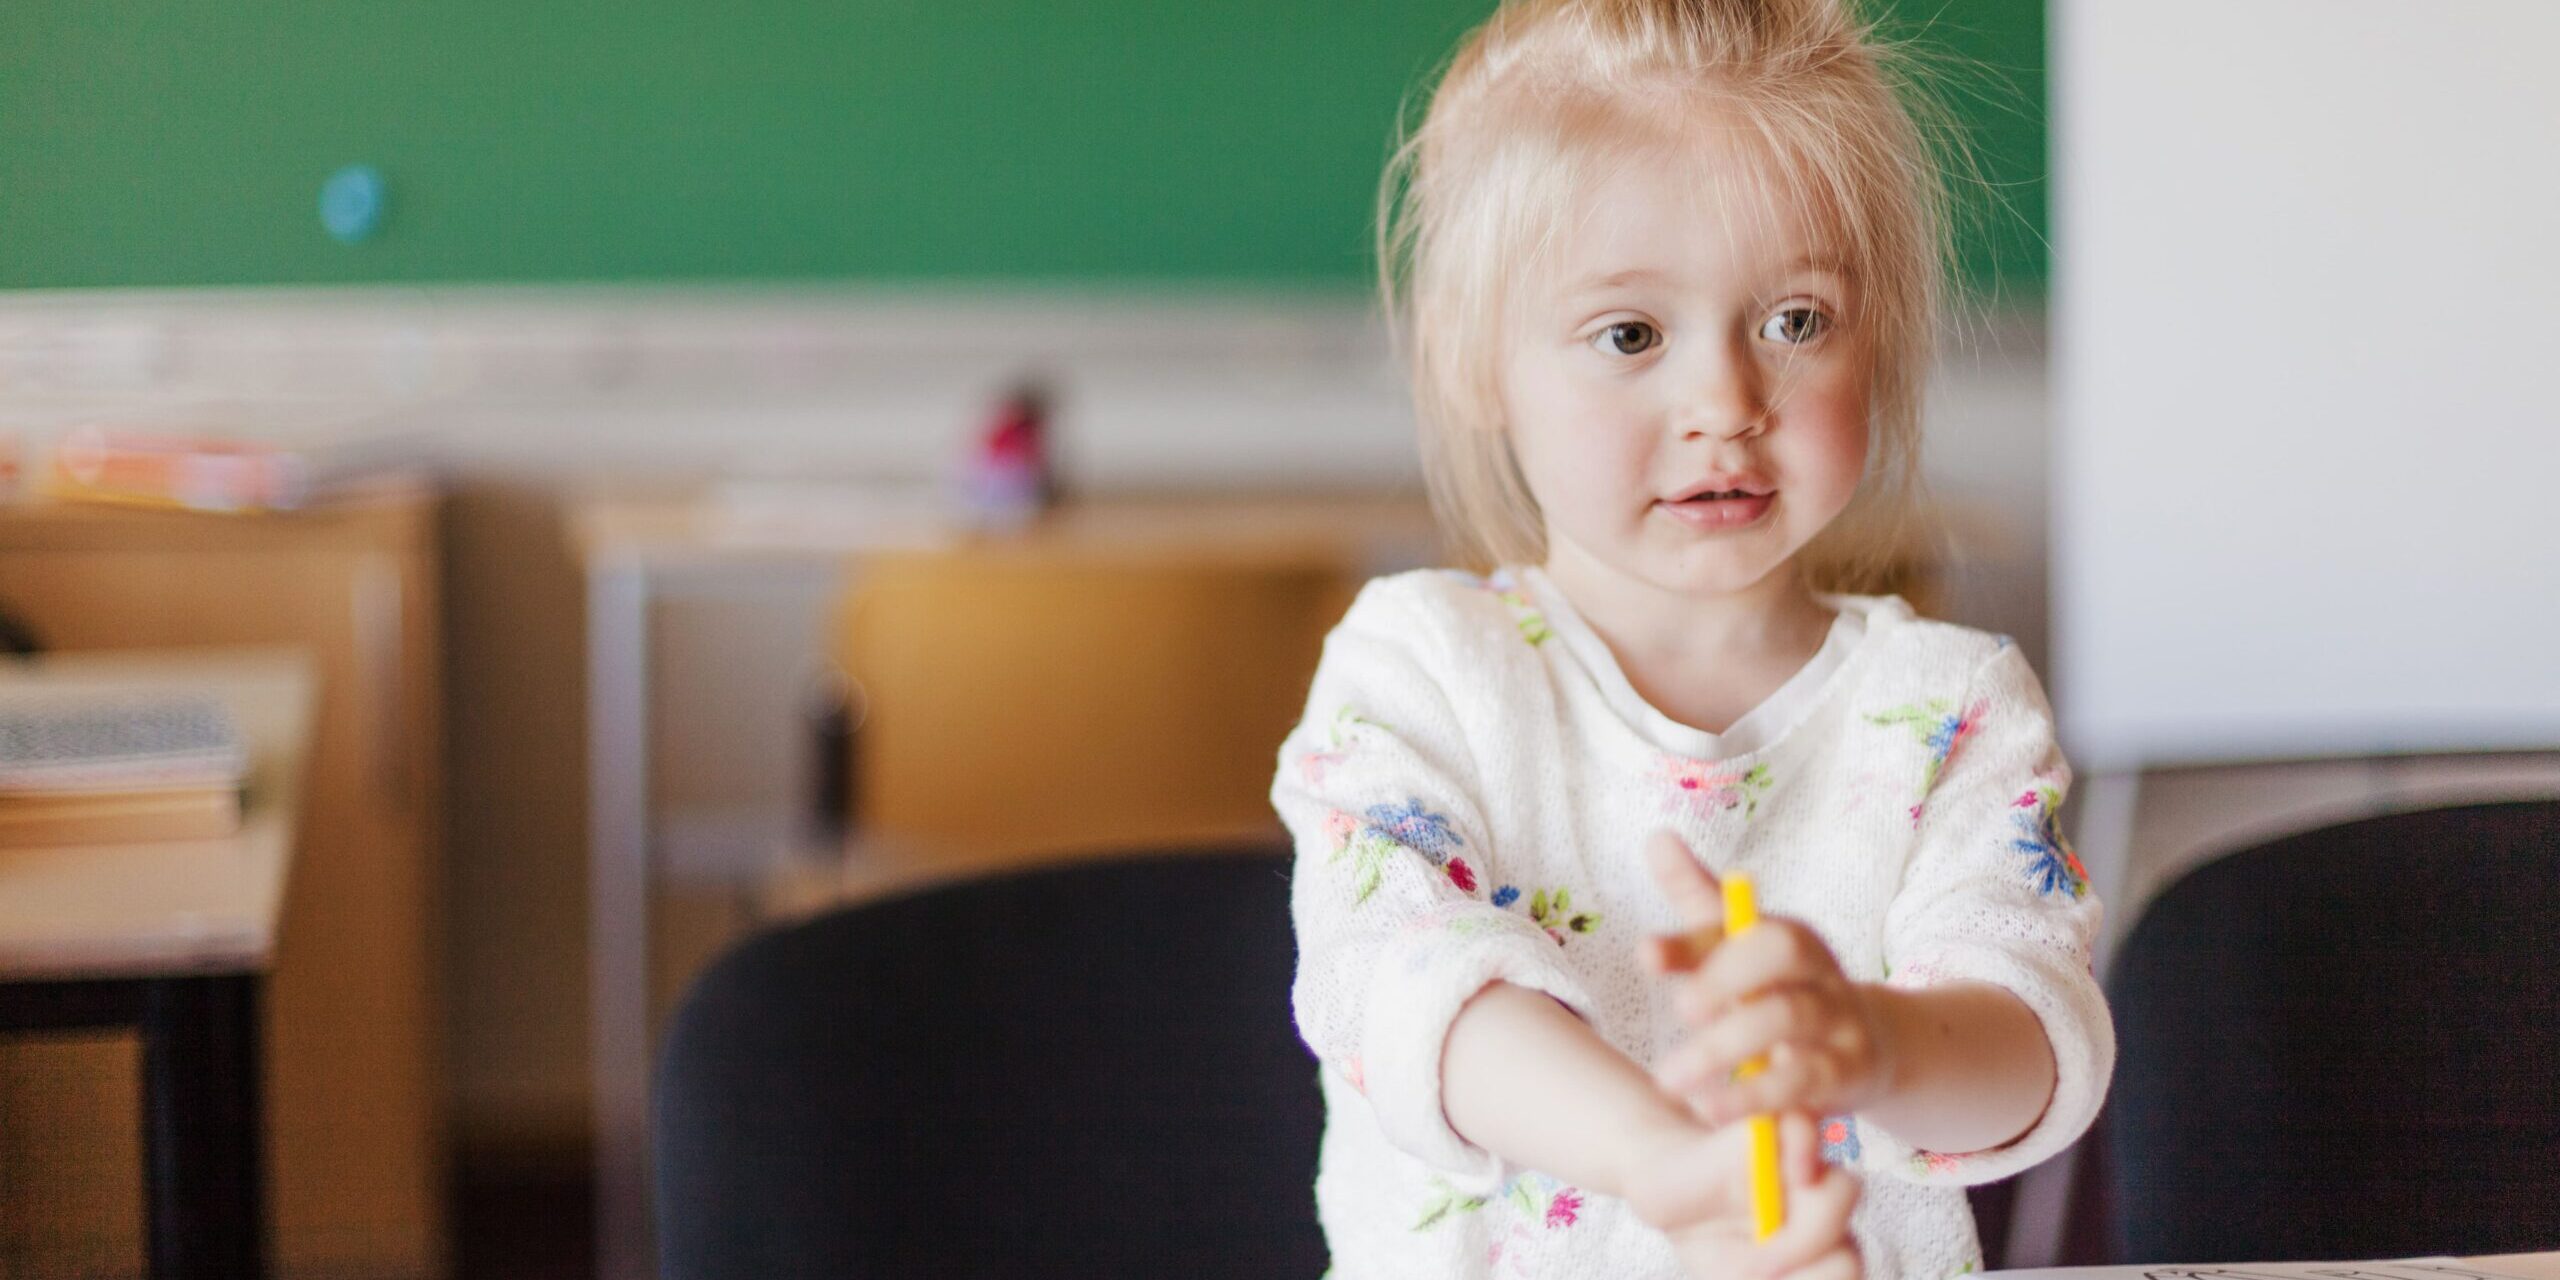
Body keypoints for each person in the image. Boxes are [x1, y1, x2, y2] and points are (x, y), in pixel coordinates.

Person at [1269, 1, 2113, 1276]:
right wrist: (1660, 1159)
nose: (1723, 403)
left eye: (1796, 320)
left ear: (1875, 341)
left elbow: (2034, 1041)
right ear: (1471, 362)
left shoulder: (1951, 704)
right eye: (1630, 335)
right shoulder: (1419, 667)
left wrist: (1872, 1043)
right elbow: (1397, 981)